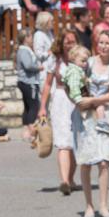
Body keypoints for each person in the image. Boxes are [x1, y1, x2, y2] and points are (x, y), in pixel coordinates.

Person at [75, 31, 109, 217]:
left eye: (107, 43)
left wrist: (93, 101)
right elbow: (76, 82)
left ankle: (103, 206)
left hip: (105, 116)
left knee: (104, 161)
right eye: (101, 42)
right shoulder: (88, 62)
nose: (103, 46)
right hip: (85, 116)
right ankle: (89, 205)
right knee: (86, 161)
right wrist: (81, 101)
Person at [38, 29, 81, 194]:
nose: (70, 45)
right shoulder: (54, 60)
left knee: (75, 142)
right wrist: (42, 107)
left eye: (73, 41)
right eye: (67, 42)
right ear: (61, 44)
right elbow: (48, 84)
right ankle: (64, 181)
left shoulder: (81, 58)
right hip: (61, 101)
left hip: (76, 101)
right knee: (63, 142)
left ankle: (70, 179)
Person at [15, 28, 42, 143]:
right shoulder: (24, 51)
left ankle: (25, 131)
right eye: (30, 37)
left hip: (25, 81)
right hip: (29, 81)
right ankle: (32, 131)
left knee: (27, 107)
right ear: (25, 38)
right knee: (34, 106)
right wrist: (39, 68)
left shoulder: (24, 50)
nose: (32, 39)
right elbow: (28, 65)